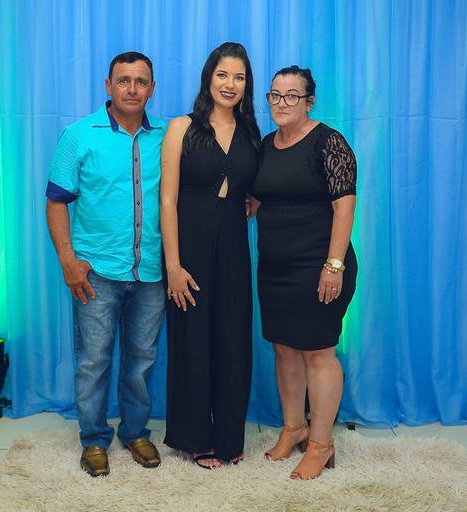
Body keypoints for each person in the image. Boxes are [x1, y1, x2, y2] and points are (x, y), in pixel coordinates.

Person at [46, 51, 166, 477]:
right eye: (123, 81)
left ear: (152, 88)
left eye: (141, 81)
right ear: (108, 85)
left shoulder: (167, 136)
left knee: (141, 360)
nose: (132, 89)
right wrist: (68, 260)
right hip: (95, 273)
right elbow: (56, 202)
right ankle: (94, 439)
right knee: (93, 361)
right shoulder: (78, 136)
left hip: (151, 272)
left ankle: (135, 432)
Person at [250, 65, 358, 480]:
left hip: (319, 266)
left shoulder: (329, 142)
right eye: (275, 95)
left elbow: (344, 206)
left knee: (317, 352)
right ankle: (294, 428)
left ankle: (321, 443)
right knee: (283, 348)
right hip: (275, 267)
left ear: (309, 102)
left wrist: (334, 265)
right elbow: (258, 199)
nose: (282, 103)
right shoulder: (267, 144)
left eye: (292, 96)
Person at [160, 42, 261, 469]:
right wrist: (173, 265)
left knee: (233, 342)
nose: (230, 84)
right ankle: (196, 437)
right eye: (223, 75)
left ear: (247, 84)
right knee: (192, 343)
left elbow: (258, 189)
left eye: (239, 77)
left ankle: (228, 437)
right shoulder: (181, 128)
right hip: (190, 249)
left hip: (235, 248)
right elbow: (167, 200)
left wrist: (250, 202)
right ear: (208, 78)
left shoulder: (252, 133)